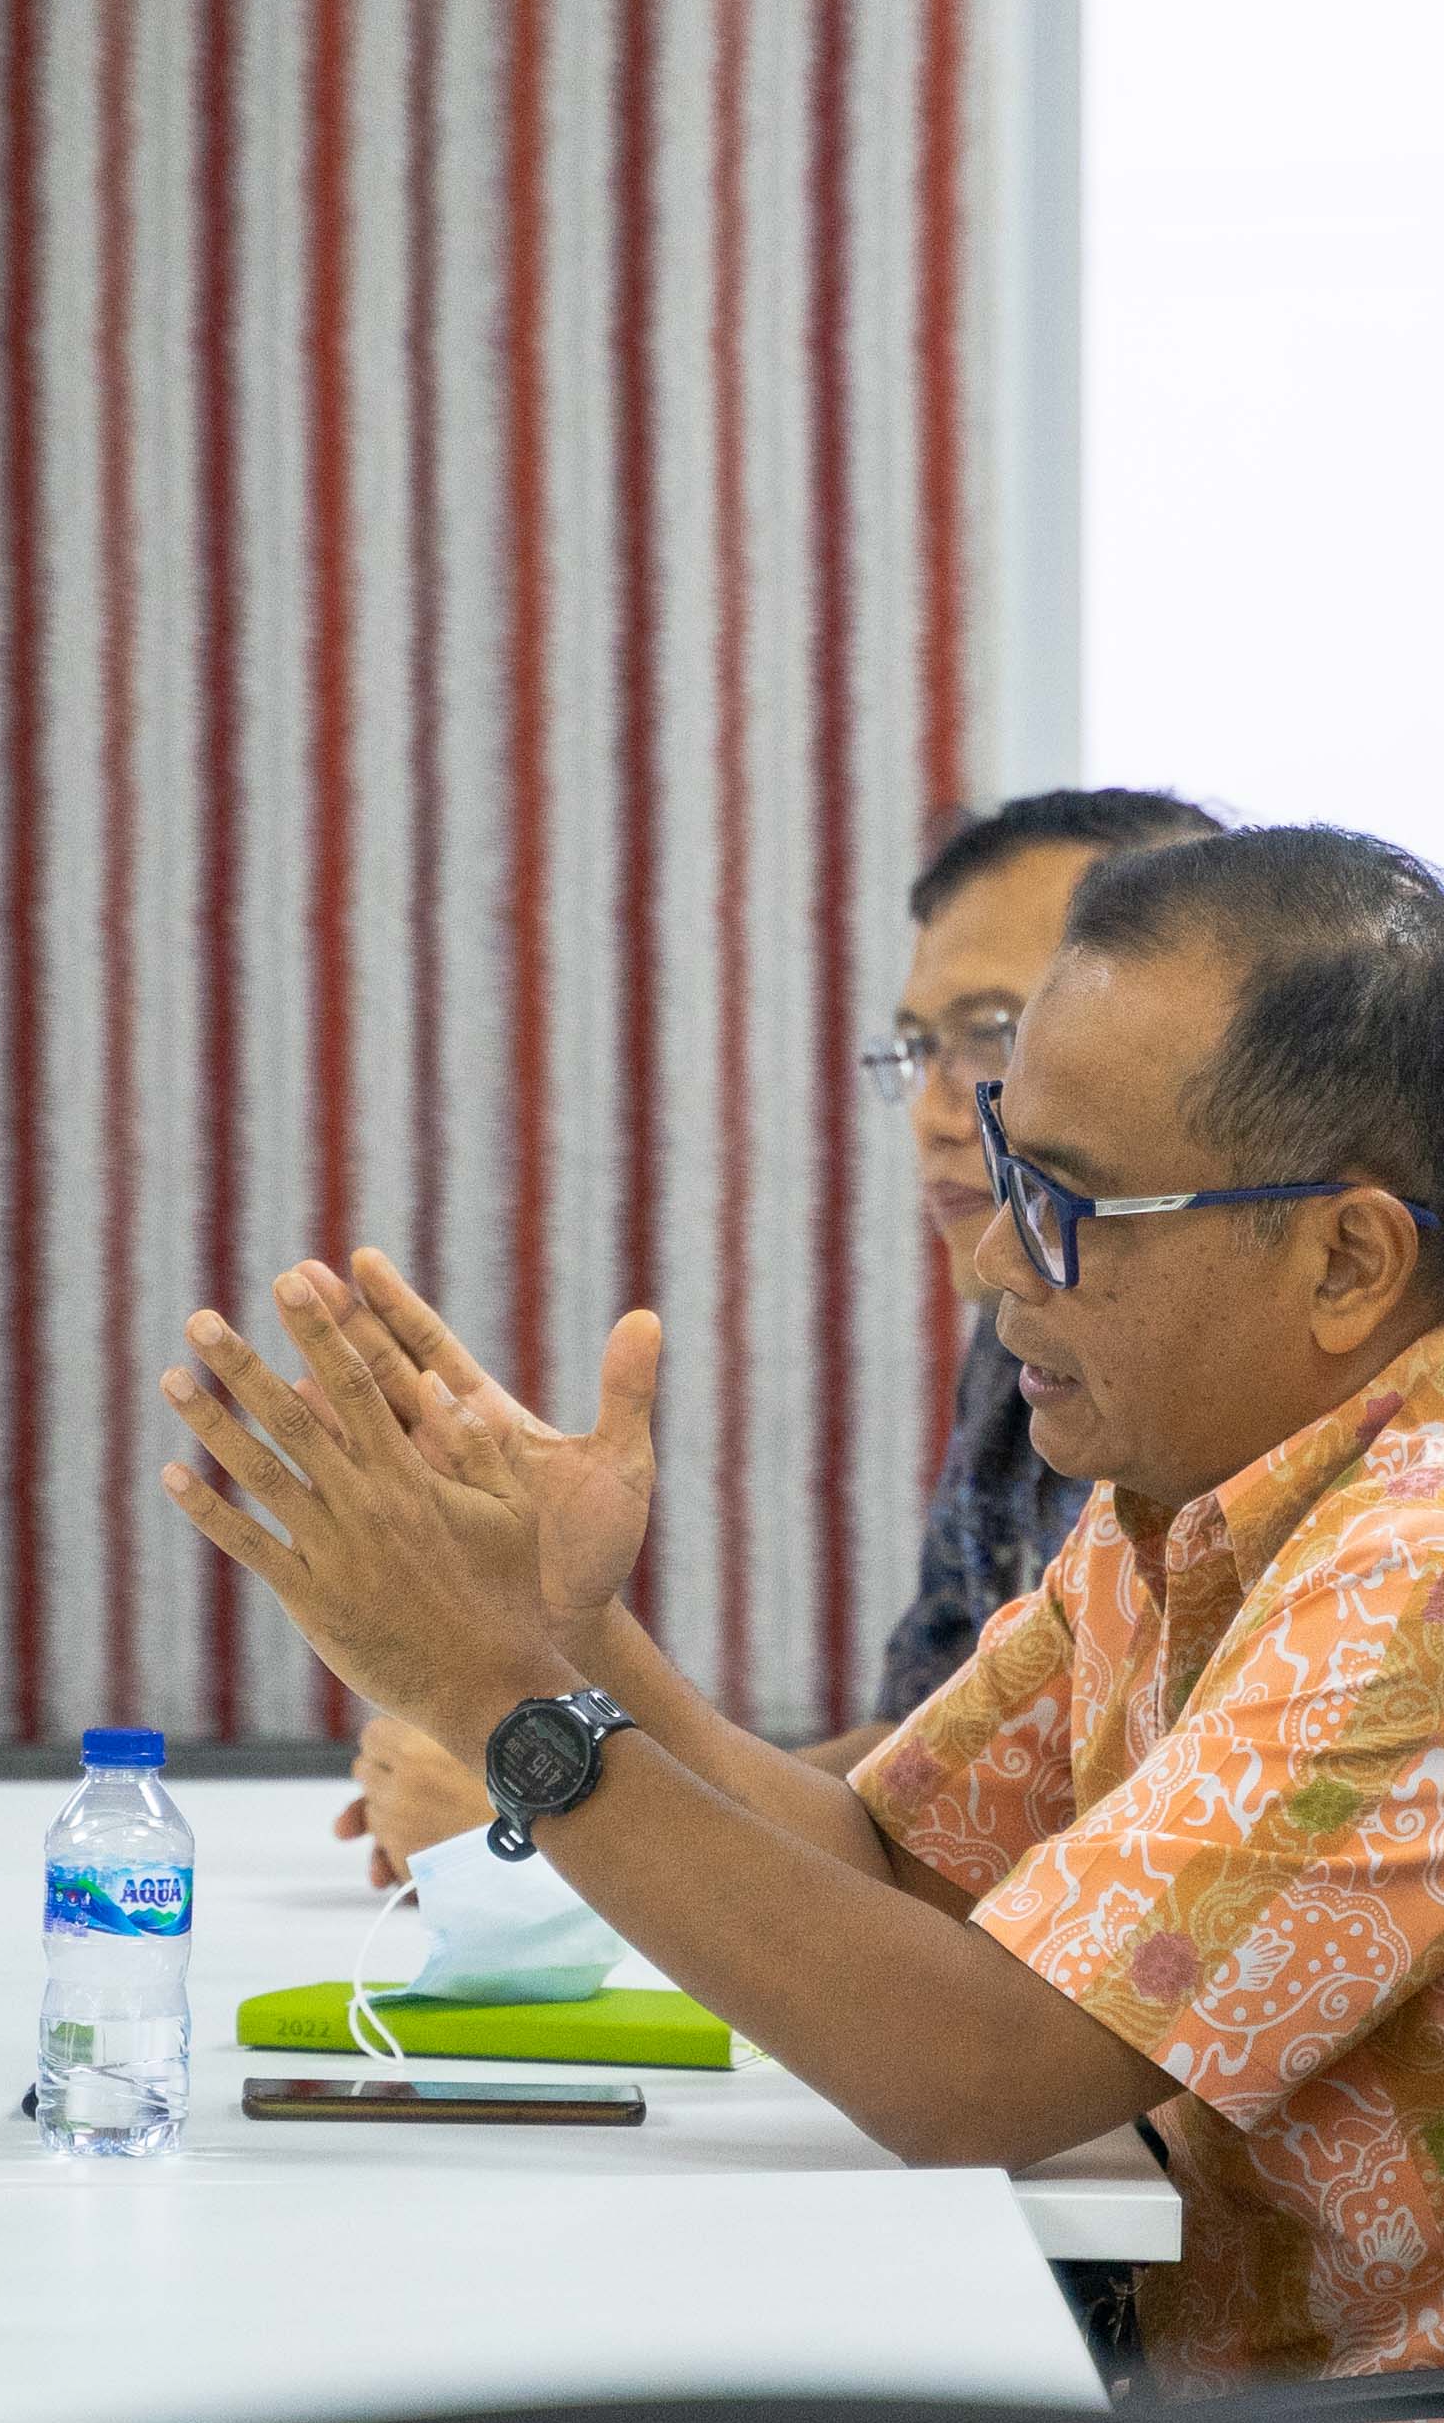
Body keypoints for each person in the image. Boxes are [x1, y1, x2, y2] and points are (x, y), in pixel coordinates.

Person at [169, 826, 1444, 2423]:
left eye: (1070, 1200)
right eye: (1010, 1168)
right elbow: (886, 1870)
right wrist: (573, 1635)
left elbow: (969, 2073)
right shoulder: (1200, 1497)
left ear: (1347, 1258)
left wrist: (499, 1696)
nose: (997, 1256)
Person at [332, 785, 1226, 1882]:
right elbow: (937, 1758)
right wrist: (572, 1764)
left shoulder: (1260, 1397)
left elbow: (1123, 1860)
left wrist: (569, 1807)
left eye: (994, 1032)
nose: (937, 1111)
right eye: (917, 1047)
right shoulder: (1022, 1331)